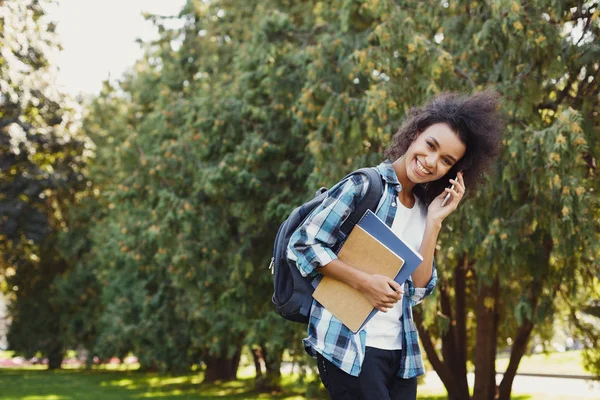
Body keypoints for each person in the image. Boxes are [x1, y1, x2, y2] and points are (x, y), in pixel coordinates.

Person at [287, 91, 504, 400]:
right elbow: (303, 243)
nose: (431, 162)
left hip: (399, 353)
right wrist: (365, 283)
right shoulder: (364, 185)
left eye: (446, 161)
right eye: (431, 146)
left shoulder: (422, 209)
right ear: (416, 133)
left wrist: (434, 222)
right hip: (349, 347)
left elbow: (416, 291)